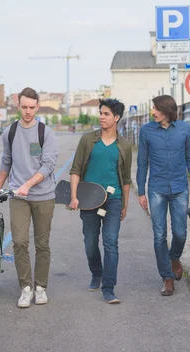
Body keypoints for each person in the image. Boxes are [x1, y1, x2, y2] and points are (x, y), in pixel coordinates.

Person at [0, 87, 59, 308]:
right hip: (18, 195)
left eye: (32, 107)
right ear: (18, 106)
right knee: (19, 242)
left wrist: (28, 184)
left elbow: (48, 164)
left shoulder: (45, 132)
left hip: (43, 195)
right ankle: (26, 288)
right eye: (24, 107)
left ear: (37, 107)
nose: (28, 111)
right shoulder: (9, 133)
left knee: (42, 243)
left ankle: (40, 288)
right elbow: (6, 161)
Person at [69, 98, 132, 304]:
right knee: (90, 242)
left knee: (111, 242)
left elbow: (126, 178)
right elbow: (76, 169)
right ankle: (97, 272)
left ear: (116, 118)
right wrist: (74, 196)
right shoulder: (88, 140)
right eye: (101, 113)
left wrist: (125, 204)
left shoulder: (124, 145)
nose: (101, 117)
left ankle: (109, 287)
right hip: (89, 200)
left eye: (106, 114)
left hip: (112, 199)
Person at [136, 95, 190, 296]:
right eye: (152, 108)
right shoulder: (146, 131)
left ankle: (174, 258)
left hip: (180, 188)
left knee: (180, 233)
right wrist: (141, 191)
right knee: (159, 235)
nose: (153, 112)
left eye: (156, 109)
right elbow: (142, 162)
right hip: (156, 189)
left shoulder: (184, 129)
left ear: (167, 110)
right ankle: (167, 277)